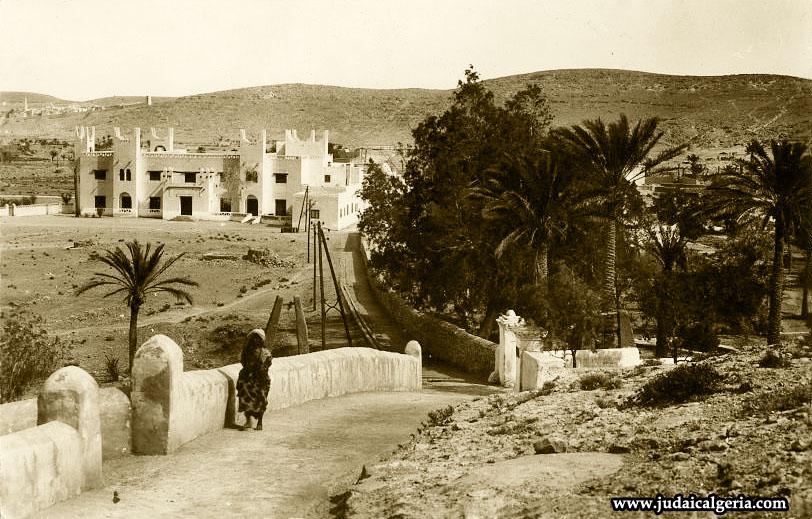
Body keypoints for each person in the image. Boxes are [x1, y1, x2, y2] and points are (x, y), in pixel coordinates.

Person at [236, 329, 273, 430]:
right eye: (254, 338)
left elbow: (266, 365)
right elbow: (243, 362)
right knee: (245, 399)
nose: (255, 340)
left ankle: (260, 422)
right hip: (247, 379)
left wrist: (258, 369)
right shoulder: (246, 352)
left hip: (261, 380)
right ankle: (248, 421)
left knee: (261, 400)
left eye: (258, 338)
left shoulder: (266, 353)